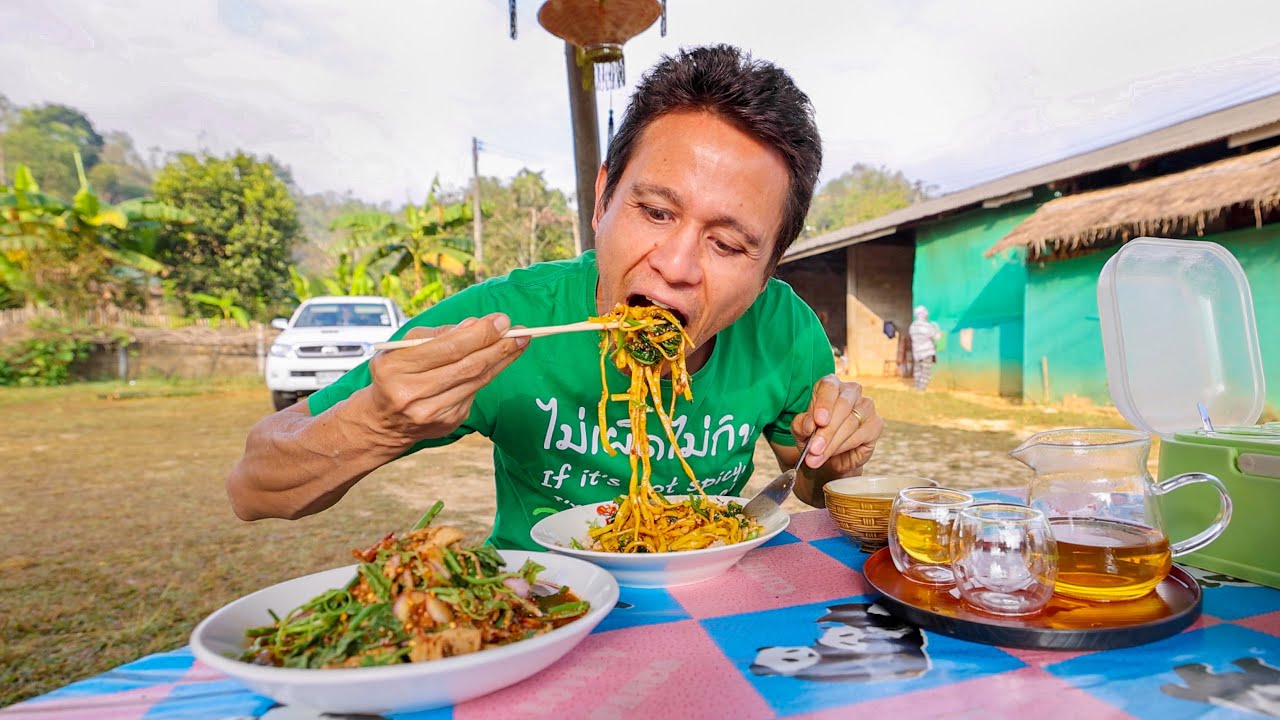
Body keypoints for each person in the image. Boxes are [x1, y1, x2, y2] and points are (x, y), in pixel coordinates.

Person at [226, 44, 886, 549]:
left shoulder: (783, 330)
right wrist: (378, 421)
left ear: (771, 264)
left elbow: (802, 487)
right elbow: (255, 486)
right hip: (541, 610)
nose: (678, 265)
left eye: (728, 245)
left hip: (707, 605)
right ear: (603, 198)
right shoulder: (509, 322)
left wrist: (834, 460)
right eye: (655, 212)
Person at [908, 305, 941, 391]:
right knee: (925, 371)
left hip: (916, 352)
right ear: (923, 314)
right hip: (927, 352)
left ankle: (916, 387)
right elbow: (937, 337)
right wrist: (936, 328)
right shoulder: (927, 326)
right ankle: (921, 389)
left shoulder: (912, 326)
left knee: (918, 370)